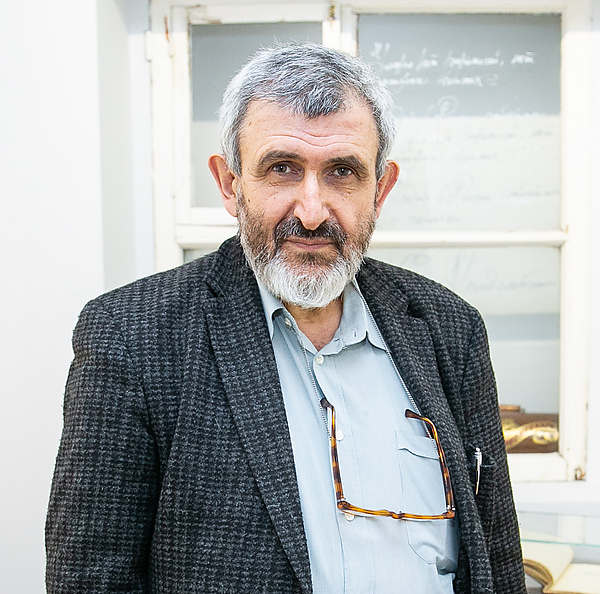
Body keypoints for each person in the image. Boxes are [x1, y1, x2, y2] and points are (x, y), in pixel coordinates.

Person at [46, 43, 526, 594]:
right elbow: (89, 579)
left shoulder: (450, 329)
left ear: (381, 189)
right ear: (230, 184)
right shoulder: (132, 336)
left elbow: (496, 557)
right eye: (282, 169)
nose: (312, 211)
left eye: (342, 171)